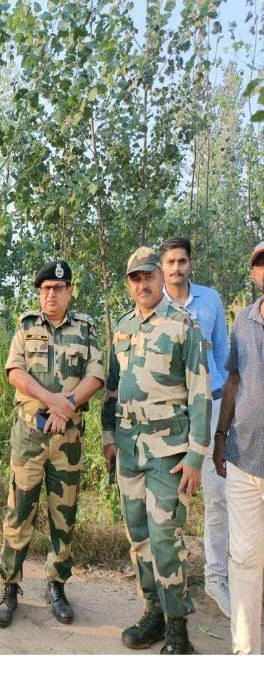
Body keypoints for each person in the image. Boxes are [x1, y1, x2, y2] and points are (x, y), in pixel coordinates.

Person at [101, 246, 210, 654]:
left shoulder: (183, 325)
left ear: (161, 277)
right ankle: (153, 614)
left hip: (170, 453)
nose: (142, 283)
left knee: (166, 539)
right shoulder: (123, 327)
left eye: (148, 275)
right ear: (129, 284)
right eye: (135, 278)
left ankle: (178, 630)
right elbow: (112, 388)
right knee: (139, 538)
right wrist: (108, 437)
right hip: (129, 451)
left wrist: (195, 456)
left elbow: (200, 392)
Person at [0, 260, 105, 628]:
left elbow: (96, 375)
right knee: (19, 512)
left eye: (57, 288)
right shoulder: (26, 326)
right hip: (30, 434)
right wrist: (52, 400)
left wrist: (66, 406)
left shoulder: (85, 329)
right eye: (45, 289)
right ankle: (9, 587)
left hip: (67, 437)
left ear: (70, 291)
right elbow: (15, 372)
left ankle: (57, 585)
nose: (51, 294)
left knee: (63, 514)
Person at [160, 235, 232, 618]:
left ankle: (217, 576)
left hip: (214, 405)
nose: (176, 268)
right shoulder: (156, 304)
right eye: (170, 262)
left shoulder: (211, 300)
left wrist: (220, 395)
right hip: (176, 410)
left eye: (182, 261)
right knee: (173, 495)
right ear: (162, 267)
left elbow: (222, 352)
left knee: (219, 494)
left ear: (190, 264)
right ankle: (173, 577)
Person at [211, 240, 264, 655]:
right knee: (244, 559)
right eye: (261, 264)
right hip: (244, 457)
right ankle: (246, 654)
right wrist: (220, 437)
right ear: (254, 274)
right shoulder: (243, 321)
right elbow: (232, 381)